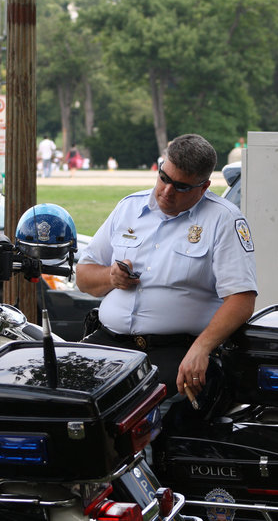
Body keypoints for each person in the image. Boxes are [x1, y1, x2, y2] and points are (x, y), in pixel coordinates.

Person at [76, 133, 257, 399]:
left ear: (204, 187)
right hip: (109, 342)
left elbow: (241, 299)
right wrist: (111, 277)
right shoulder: (129, 208)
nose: (167, 191)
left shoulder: (223, 220)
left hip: (174, 352)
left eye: (181, 187)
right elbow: (83, 276)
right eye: (164, 178)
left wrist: (201, 349)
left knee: (140, 421)